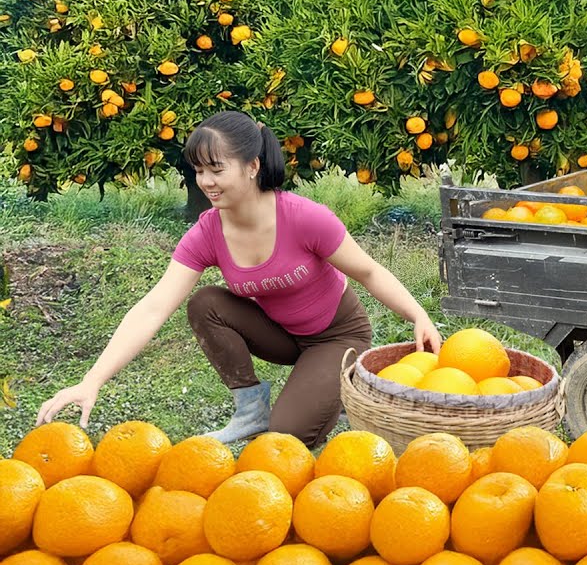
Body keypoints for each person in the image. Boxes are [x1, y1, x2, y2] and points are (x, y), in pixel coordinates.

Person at [37, 112, 443, 447]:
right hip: (280, 334)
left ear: (252, 167)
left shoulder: (303, 218)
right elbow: (154, 307)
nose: (206, 181)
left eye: (217, 168)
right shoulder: (208, 232)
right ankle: (250, 408)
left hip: (335, 336)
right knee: (206, 302)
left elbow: (369, 271)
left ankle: (331, 387)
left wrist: (418, 315)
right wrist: (90, 381)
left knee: (283, 439)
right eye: (198, 170)